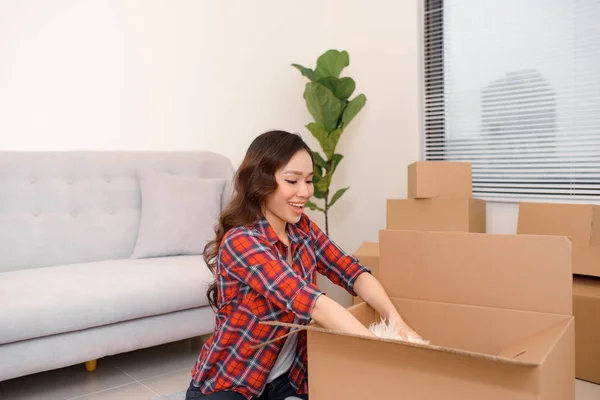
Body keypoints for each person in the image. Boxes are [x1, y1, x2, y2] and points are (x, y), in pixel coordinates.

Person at [185, 130, 420, 400]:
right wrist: (383, 351)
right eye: (292, 180)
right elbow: (312, 303)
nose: (305, 191)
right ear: (260, 182)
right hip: (230, 384)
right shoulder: (241, 242)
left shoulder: (303, 230)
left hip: (284, 382)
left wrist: (397, 321)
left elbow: (352, 272)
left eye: (308, 181)